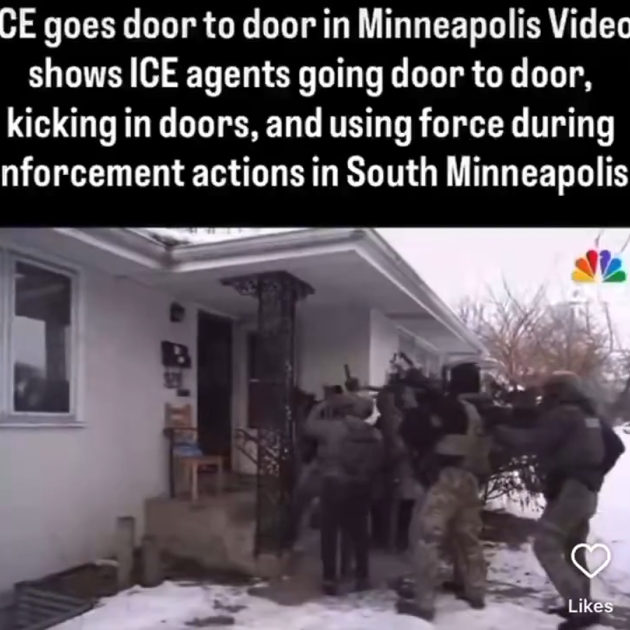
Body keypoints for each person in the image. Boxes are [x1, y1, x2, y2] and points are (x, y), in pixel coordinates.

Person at [494, 371, 625, 630]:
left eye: (548, 392)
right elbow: (616, 447)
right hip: (586, 491)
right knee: (573, 549)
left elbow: (532, 441)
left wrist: (497, 429)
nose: (544, 397)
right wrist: (594, 473)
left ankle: (580, 607)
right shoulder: (590, 416)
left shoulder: (564, 414)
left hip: (570, 490)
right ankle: (582, 605)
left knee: (546, 545)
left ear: (557, 392)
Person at [396, 361, 491, 621]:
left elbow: (412, 433)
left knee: (428, 538)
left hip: (443, 479)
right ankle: (476, 591)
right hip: (469, 478)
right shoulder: (473, 410)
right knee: (468, 537)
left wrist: (414, 407)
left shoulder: (446, 407)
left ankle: (424, 603)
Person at [302, 391, 384, 595]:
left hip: (334, 483)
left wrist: (321, 406)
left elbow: (308, 427)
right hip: (361, 486)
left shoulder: (332, 428)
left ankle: (330, 579)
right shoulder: (375, 434)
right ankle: (362, 576)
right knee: (359, 533)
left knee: (329, 532)